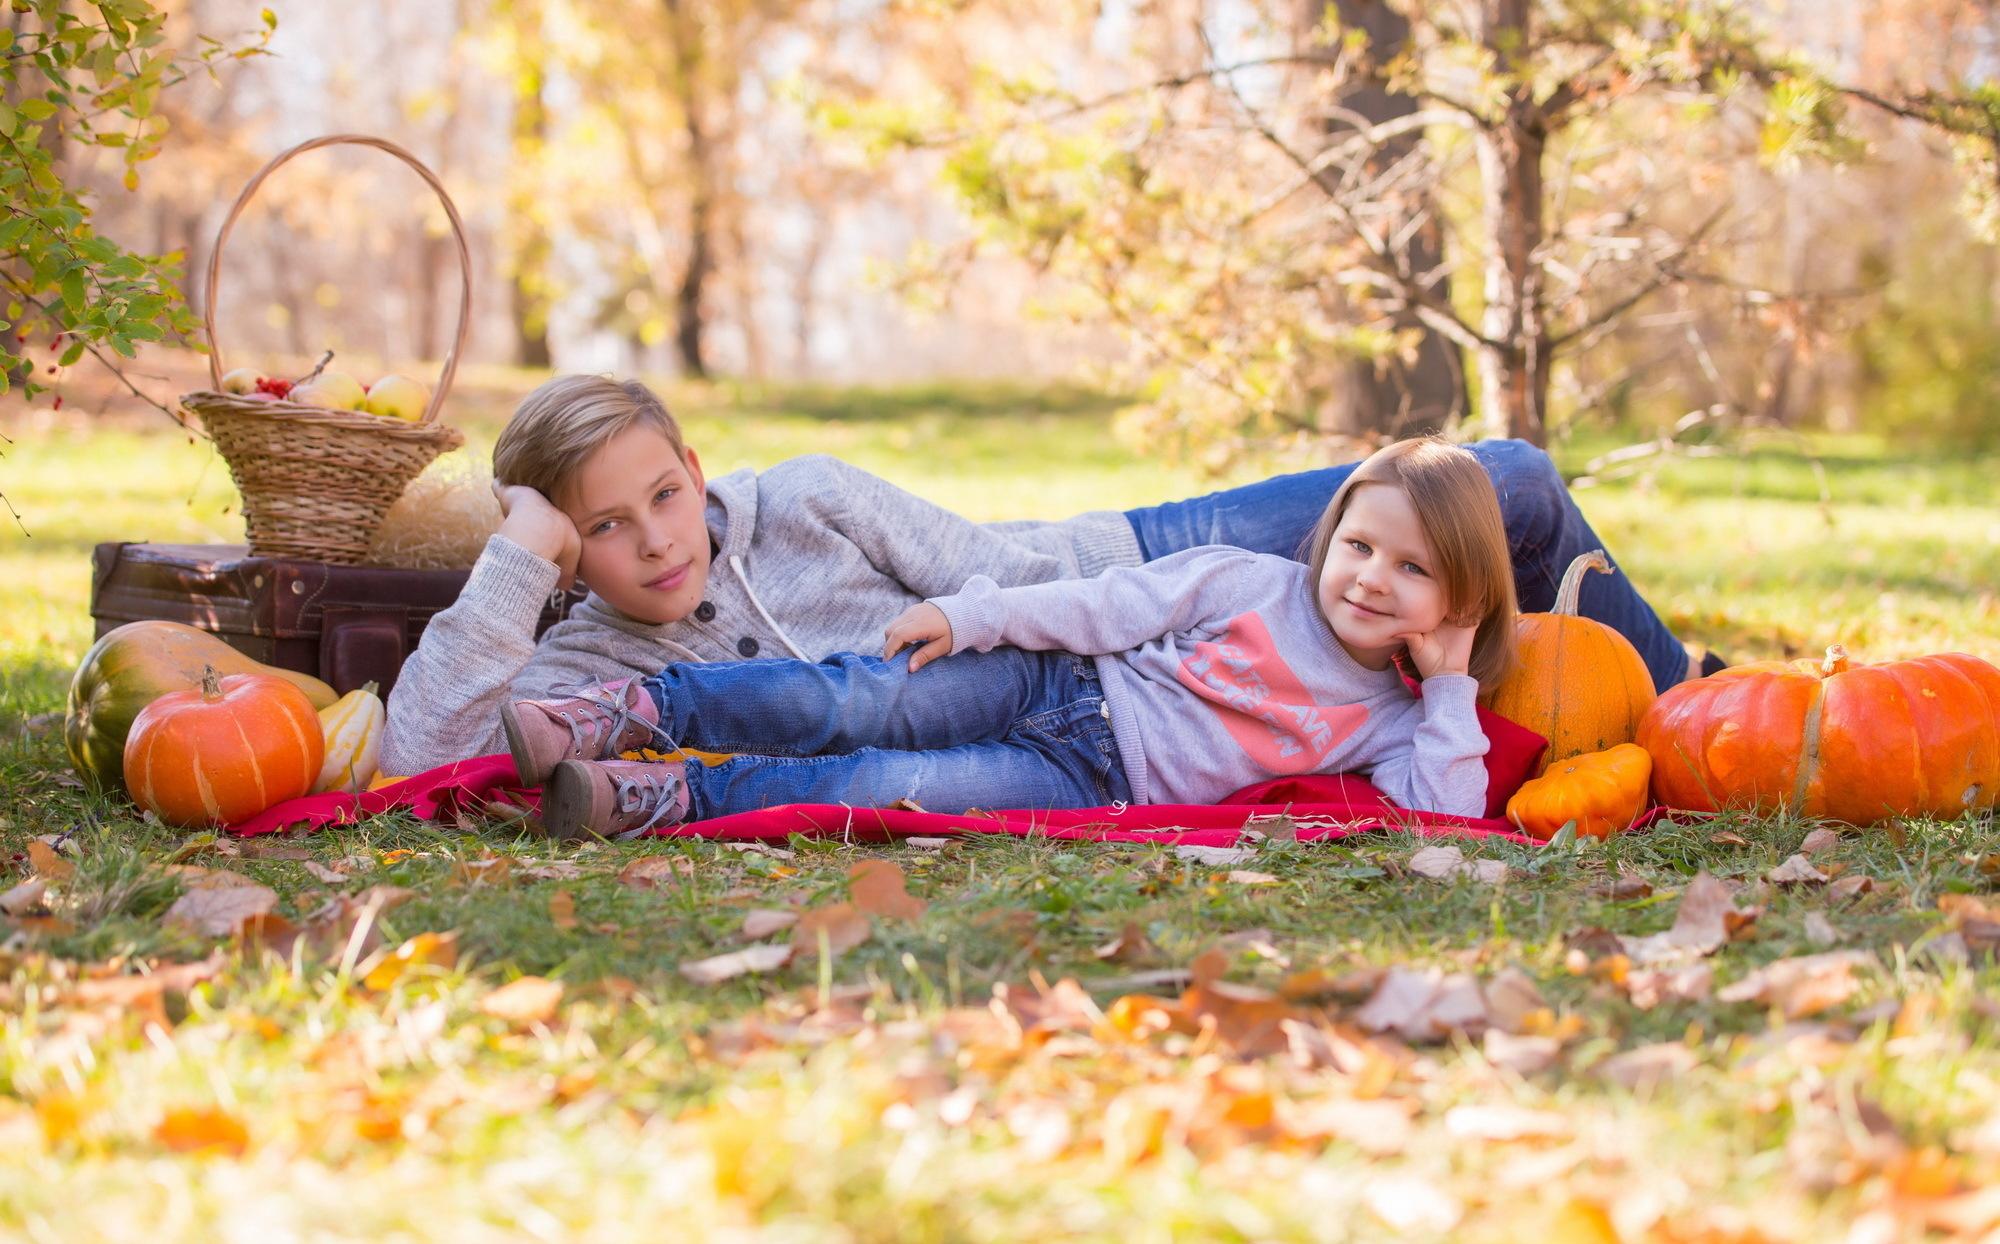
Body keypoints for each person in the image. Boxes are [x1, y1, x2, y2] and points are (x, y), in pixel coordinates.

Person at [380, 375, 1704, 777]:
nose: (659, 540)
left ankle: (1704, 706)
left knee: (1513, 482)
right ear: (564, 546)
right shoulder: (597, 655)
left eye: (665, 492)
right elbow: (417, 753)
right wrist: (518, 557)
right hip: (1091, 714)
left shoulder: (809, 497)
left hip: (1141, 579)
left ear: (694, 458)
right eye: (605, 529)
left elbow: (997, 572)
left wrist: (1227, 610)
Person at [509, 438, 1518, 838]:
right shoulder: (1246, 583)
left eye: (1415, 568)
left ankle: (667, 794)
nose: (1371, 578)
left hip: (1089, 782)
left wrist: (1446, 688)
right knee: (855, 699)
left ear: (1460, 598)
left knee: (874, 786)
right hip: (1052, 678)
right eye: (1358, 545)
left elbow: (1448, 812)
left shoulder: (1396, 719)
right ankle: (638, 712)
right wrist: (972, 615)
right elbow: (1102, 605)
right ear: (1329, 536)